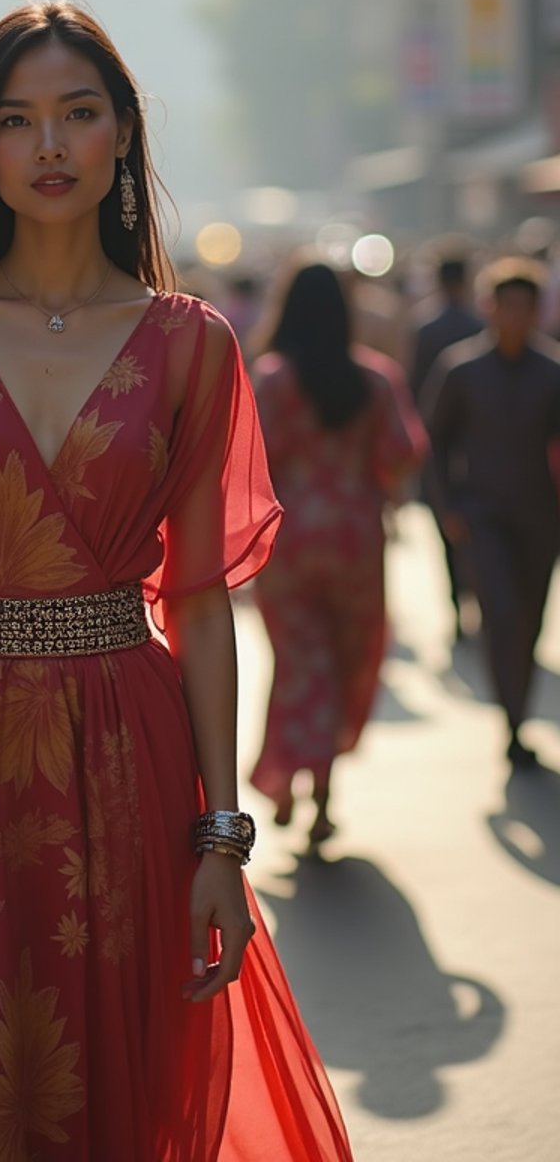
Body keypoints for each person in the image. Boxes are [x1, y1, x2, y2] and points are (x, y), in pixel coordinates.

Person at [0, 3, 353, 1161]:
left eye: (76, 114)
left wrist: (220, 843)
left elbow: (201, 604)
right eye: (16, 120)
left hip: (131, 761)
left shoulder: (190, 343)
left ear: (119, 136)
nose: (48, 145)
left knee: (122, 1107)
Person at [250, 260, 427, 845]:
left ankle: (287, 778)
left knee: (300, 665)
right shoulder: (375, 380)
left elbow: (251, 464)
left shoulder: (273, 380)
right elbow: (403, 453)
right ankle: (322, 795)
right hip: (355, 537)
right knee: (345, 660)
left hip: (292, 540)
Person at [424, 257, 560, 769]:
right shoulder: (462, 369)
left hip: (540, 518)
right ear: (492, 308)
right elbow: (434, 442)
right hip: (482, 515)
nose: (517, 316)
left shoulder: (552, 372)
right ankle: (513, 720)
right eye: (509, 305)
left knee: (529, 621)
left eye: (527, 307)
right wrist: (447, 507)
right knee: (500, 614)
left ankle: (518, 712)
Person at [408, 255, 484, 641]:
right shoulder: (480, 325)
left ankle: (459, 606)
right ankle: (480, 601)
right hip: (480, 444)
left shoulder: (426, 328)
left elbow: (416, 387)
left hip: (441, 441)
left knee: (448, 534)